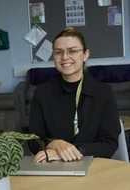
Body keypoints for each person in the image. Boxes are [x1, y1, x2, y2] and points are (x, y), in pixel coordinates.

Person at [28, 27, 121, 163]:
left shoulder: (104, 92)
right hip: (53, 168)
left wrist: (67, 152)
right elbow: (33, 141)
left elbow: (109, 144)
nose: (65, 57)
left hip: (94, 164)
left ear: (85, 54)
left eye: (72, 51)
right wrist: (56, 144)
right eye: (58, 52)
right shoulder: (42, 92)